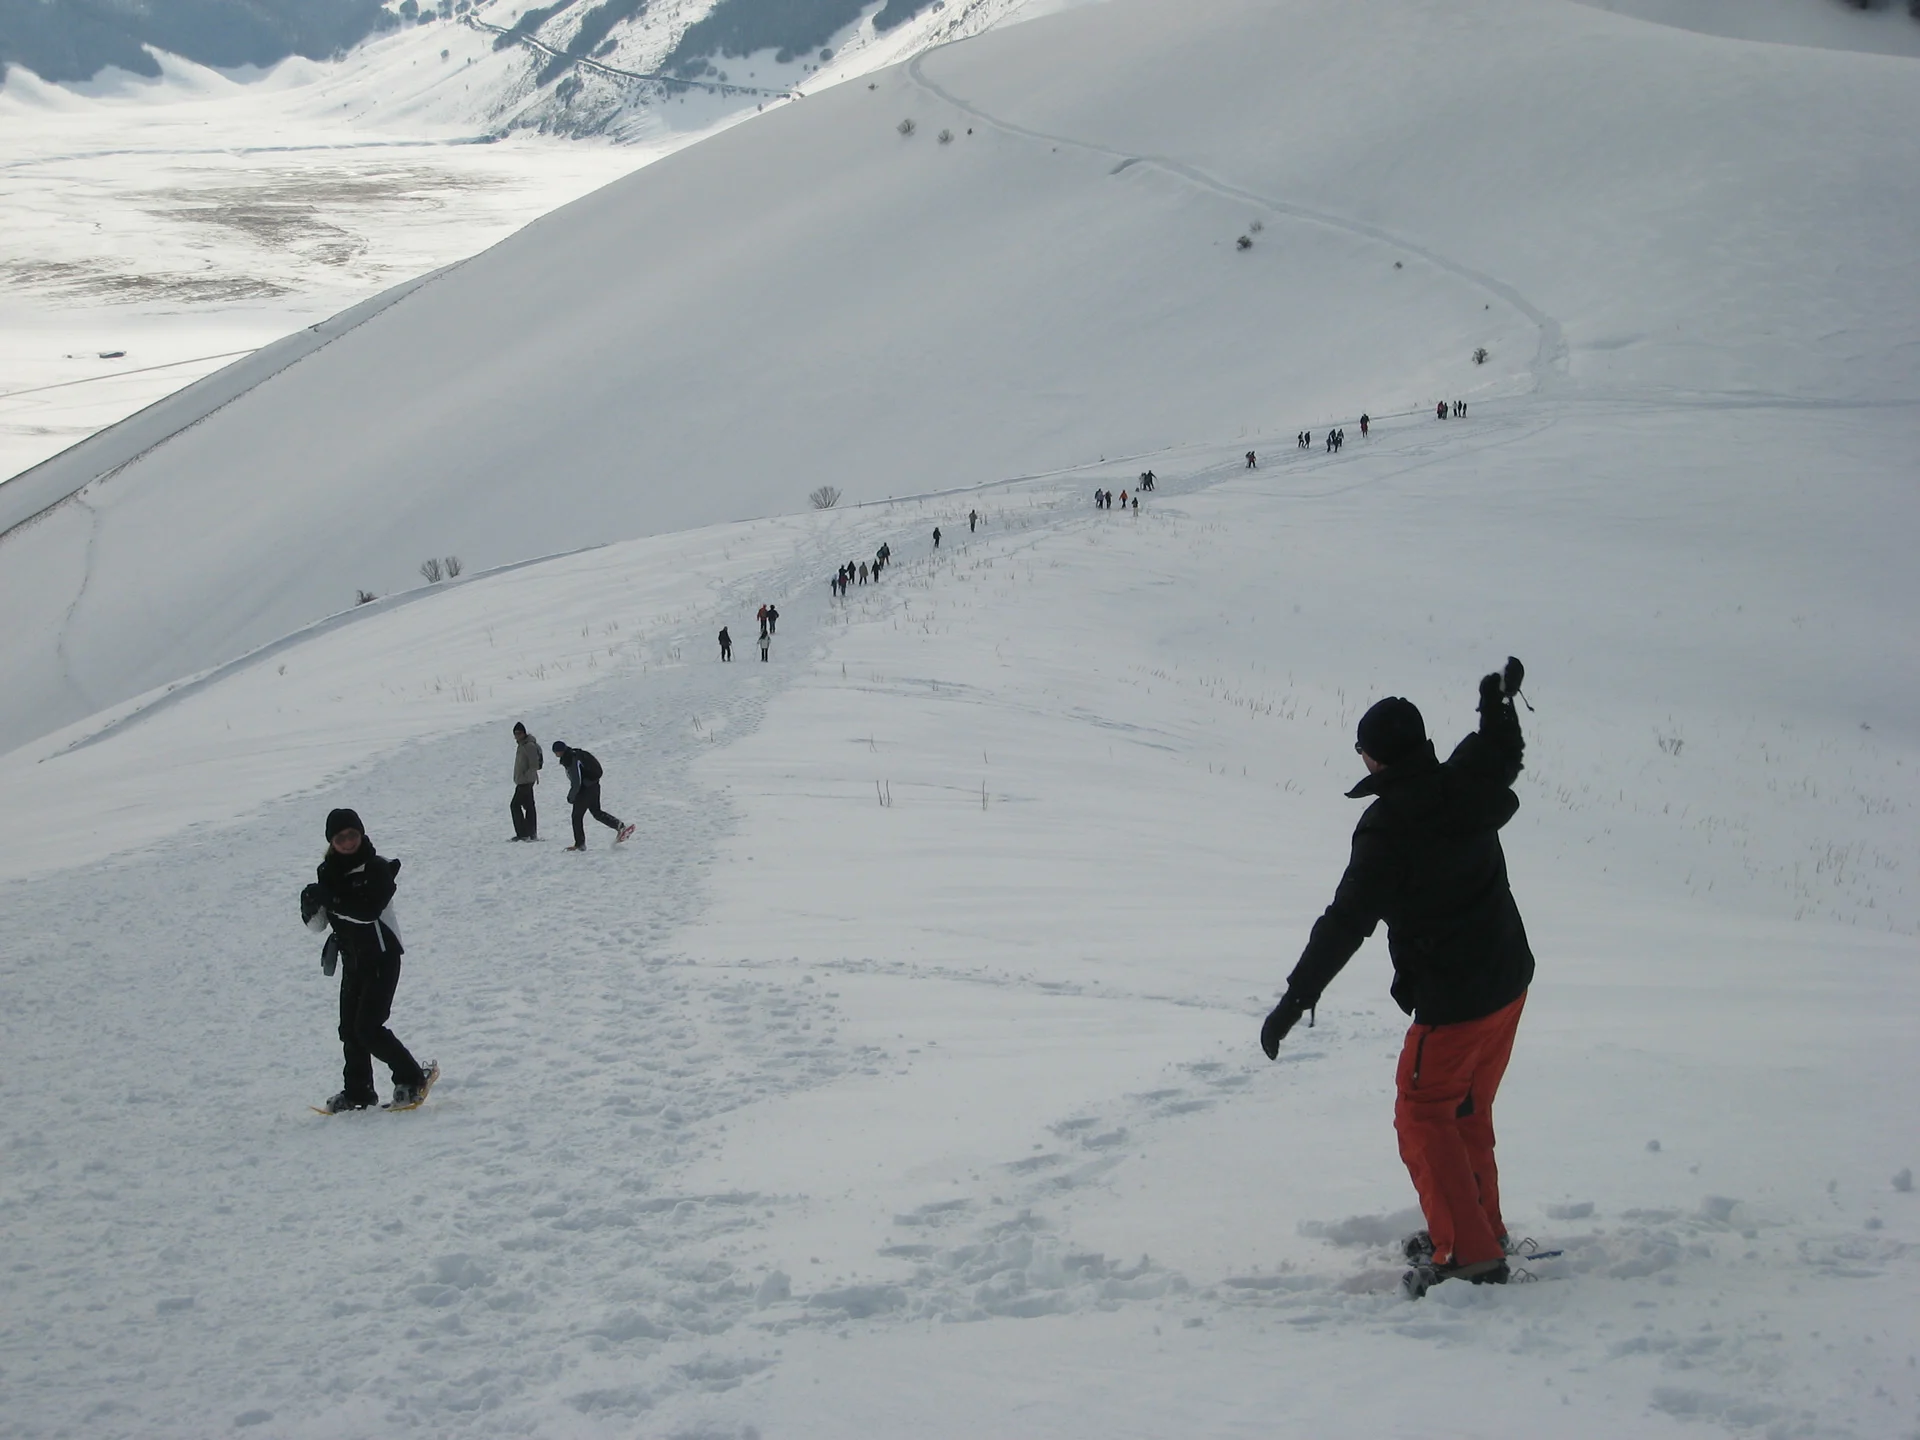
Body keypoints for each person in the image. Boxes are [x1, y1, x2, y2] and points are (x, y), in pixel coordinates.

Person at [1260, 658, 1534, 1300]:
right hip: (1507, 983)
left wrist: (1296, 998)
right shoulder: (1464, 782)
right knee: (1465, 1109)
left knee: (1423, 1112)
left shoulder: (1389, 827)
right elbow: (1502, 748)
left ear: (1375, 760)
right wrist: (1496, 702)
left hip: (1456, 1001)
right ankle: (1476, 1229)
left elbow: (1345, 921)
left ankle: (1468, 1257)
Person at [300, 809, 435, 1112]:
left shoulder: (377, 868)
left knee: (369, 1027)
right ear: (331, 841)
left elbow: (368, 911)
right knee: (349, 1029)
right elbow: (318, 925)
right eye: (340, 838)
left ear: (361, 834)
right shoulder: (328, 872)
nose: (347, 842)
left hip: (382, 956)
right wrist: (309, 907)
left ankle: (412, 1078)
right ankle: (358, 1091)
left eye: (352, 835)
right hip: (353, 959)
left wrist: (330, 898)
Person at [552, 741, 634, 850]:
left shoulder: (570, 759)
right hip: (594, 785)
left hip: (584, 790)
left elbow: (577, 781)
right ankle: (620, 826)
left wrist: (571, 796)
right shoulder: (576, 754)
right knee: (596, 812)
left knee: (576, 816)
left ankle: (579, 844)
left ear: (559, 752)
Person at [510, 721, 542, 840]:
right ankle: (530, 833)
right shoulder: (522, 745)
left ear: (524, 733)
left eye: (519, 733)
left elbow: (534, 764)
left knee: (514, 805)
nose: (517, 736)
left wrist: (526, 777)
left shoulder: (529, 745)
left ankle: (523, 834)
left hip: (526, 781)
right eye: (515, 734)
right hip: (524, 781)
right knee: (529, 806)